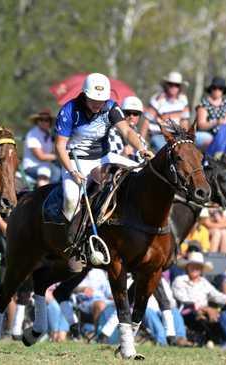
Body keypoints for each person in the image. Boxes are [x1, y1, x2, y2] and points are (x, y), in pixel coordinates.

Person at [54, 73, 151, 269]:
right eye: (94, 100)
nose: (98, 104)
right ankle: (72, 244)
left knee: (139, 172)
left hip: (104, 157)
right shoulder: (69, 110)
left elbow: (127, 131)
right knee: (72, 199)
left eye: (102, 100)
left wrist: (141, 148)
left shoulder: (111, 107)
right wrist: (72, 172)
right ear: (85, 95)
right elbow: (59, 146)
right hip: (75, 160)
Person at [171, 252, 226, 349]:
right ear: (187, 267)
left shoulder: (203, 282)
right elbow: (182, 298)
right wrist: (206, 309)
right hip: (188, 313)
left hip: (205, 311)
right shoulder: (179, 280)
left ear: (201, 269)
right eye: (193, 266)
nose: (195, 268)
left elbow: (217, 296)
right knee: (220, 315)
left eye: (198, 266)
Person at [140, 71, 190, 150]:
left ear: (180, 87)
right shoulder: (157, 99)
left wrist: (185, 139)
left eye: (176, 85)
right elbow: (146, 121)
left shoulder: (183, 99)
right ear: (166, 85)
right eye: (171, 84)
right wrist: (141, 143)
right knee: (169, 151)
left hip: (176, 136)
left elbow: (184, 122)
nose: (173, 87)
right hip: (159, 135)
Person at [195, 77, 226, 150]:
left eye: (220, 88)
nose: (217, 91)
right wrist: (216, 122)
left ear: (223, 90)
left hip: (220, 135)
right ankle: (206, 160)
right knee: (212, 141)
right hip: (203, 134)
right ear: (211, 89)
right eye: (215, 88)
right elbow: (201, 125)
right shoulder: (204, 104)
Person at [22, 108, 59, 182]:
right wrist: (59, 156)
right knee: (46, 172)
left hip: (47, 165)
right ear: (37, 121)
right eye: (41, 119)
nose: (43, 122)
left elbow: (53, 151)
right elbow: (40, 156)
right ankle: (44, 193)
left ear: (50, 122)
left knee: (61, 171)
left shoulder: (48, 134)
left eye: (46, 120)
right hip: (31, 166)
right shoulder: (32, 134)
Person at [110, 96, 147, 163]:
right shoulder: (110, 135)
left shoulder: (141, 141)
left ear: (139, 116)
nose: (131, 117)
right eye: (128, 113)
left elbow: (142, 165)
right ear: (121, 114)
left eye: (135, 114)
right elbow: (107, 164)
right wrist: (122, 156)